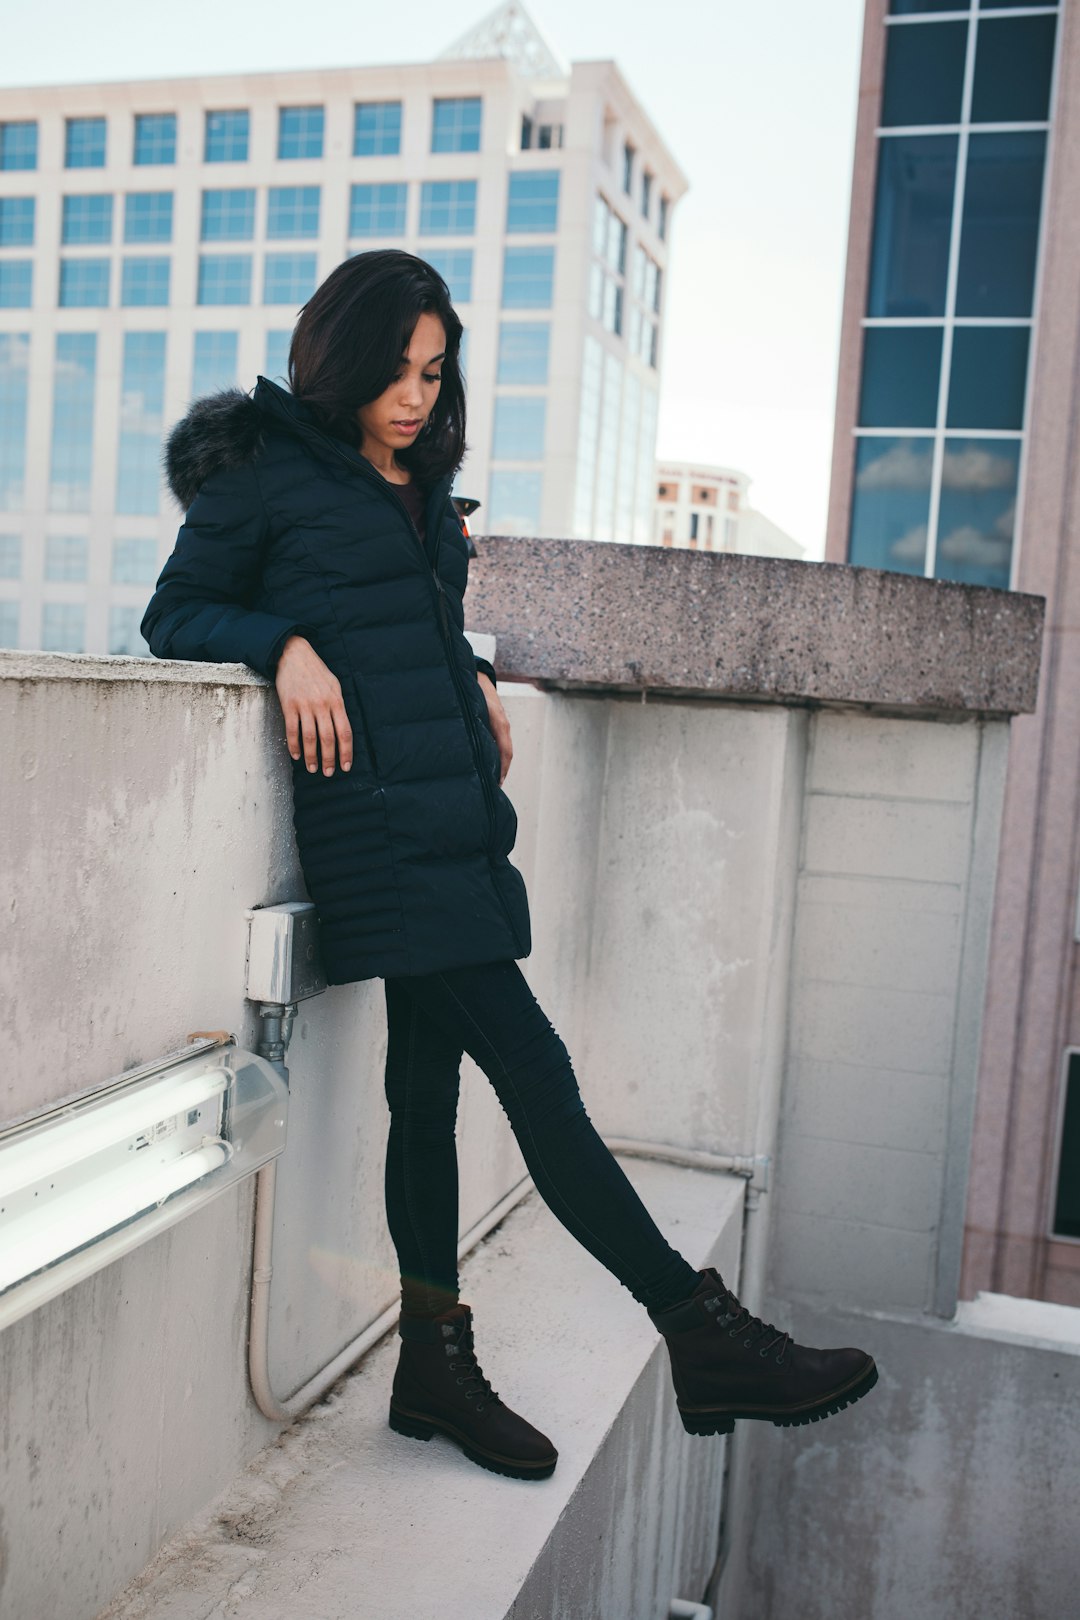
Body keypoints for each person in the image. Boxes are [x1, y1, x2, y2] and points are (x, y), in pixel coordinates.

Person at [142, 248, 877, 1484]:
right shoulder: (267, 478)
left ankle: (432, 1368)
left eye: (435, 372)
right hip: (381, 837)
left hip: (458, 828)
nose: (419, 395)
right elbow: (173, 615)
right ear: (341, 358)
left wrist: (473, 674)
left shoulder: (421, 489)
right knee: (537, 1075)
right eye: (396, 371)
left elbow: (416, 629)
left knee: (425, 1106)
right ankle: (702, 1332)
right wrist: (287, 648)